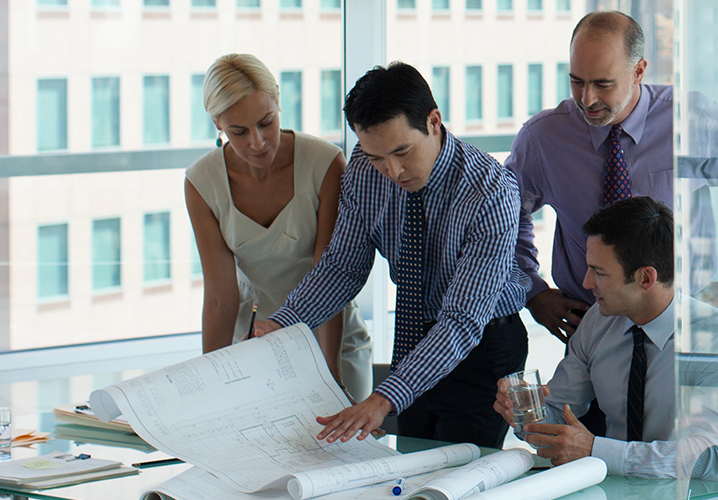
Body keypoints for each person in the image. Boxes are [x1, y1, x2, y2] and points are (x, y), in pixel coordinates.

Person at [251, 62, 531, 449]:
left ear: (433, 122)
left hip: (482, 344)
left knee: (456, 474)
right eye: (377, 156)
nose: (392, 171)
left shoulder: (490, 191)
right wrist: (284, 324)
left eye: (402, 151)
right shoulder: (365, 169)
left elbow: (462, 321)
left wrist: (383, 398)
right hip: (415, 335)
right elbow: (342, 268)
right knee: (412, 469)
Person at [509, 10, 718, 344]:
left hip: (683, 328)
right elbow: (502, 217)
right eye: (577, 82)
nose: (587, 100)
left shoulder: (692, 122)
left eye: (603, 84)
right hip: (590, 332)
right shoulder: (545, 138)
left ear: (638, 71)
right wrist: (532, 291)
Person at [497, 196, 718, 482]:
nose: (586, 283)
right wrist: (524, 412)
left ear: (645, 279)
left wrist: (596, 450)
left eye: (599, 272)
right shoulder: (598, 321)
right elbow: (557, 414)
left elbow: (716, 462)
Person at [183, 53, 372, 404]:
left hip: (332, 339)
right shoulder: (201, 182)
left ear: (278, 103)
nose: (257, 142)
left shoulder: (325, 163)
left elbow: (329, 275)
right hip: (257, 349)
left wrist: (331, 377)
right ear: (217, 123)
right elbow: (222, 298)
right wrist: (210, 383)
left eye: (266, 122)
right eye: (238, 132)